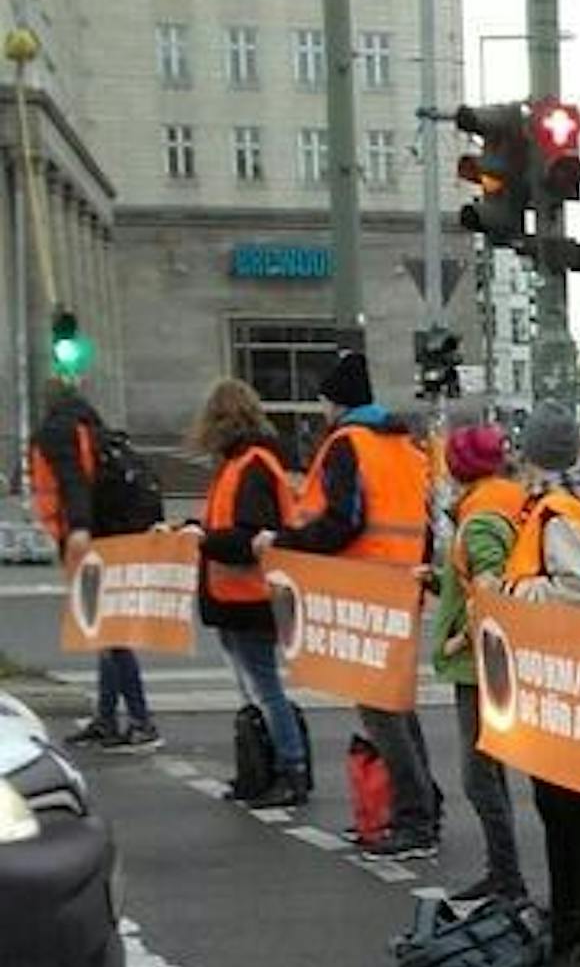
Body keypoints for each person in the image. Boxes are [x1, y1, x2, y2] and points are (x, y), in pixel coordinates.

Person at [265, 351, 439, 859]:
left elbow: (343, 521)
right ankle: (423, 808)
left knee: (382, 712)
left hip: (362, 588)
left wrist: (286, 543)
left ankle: (414, 820)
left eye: (323, 404)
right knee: (398, 707)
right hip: (400, 586)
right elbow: (424, 523)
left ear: (334, 404)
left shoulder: (347, 445)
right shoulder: (404, 446)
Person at [504, 403, 580, 967]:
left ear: (533, 454)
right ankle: (572, 920)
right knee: (563, 809)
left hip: (567, 677)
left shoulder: (557, 511)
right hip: (566, 676)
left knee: (574, 812)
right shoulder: (558, 506)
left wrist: (512, 594)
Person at [183, 378, 308, 806]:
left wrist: (202, 539)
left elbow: (249, 538)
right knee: (258, 687)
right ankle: (271, 768)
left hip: (248, 596)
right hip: (239, 598)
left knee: (264, 688)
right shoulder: (246, 463)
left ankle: (288, 769)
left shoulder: (248, 466)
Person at [29, 381, 161, 752]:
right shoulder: (93, 430)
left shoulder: (57, 433)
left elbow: (72, 484)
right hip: (116, 536)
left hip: (92, 539)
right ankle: (108, 717)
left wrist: (79, 530)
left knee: (109, 633)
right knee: (106, 632)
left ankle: (139, 720)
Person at [432, 422, 528, 904]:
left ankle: (506, 877)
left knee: (477, 777)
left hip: (478, 666)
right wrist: (436, 579)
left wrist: (455, 643)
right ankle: (503, 873)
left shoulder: (481, 518)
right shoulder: (502, 502)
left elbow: (489, 594)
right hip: (491, 661)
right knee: (490, 772)